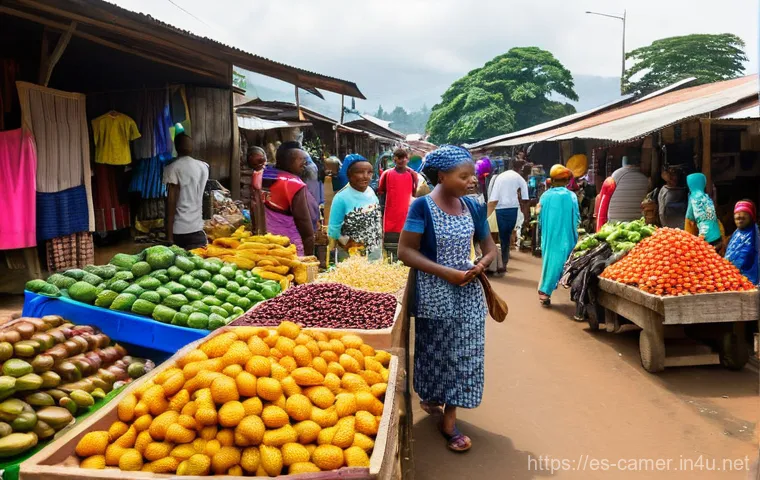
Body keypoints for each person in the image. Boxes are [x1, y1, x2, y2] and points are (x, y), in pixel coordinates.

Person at [398, 145, 497, 453]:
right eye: (463, 175)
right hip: (434, 293)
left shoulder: (474, 207)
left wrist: (480, 265)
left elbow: (490, 248)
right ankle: (432, 397)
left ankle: (450, 420)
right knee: (435, 351)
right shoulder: (422, 207)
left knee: (465, 353)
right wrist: (445, 273)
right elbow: (405, 251)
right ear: (442, 176)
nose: (471, 181)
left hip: (468, 292)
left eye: (472, 175)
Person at [262, 141, 314, 256]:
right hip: (289, 245)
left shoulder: (264, 174)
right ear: (289, 162)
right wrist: (310, 255)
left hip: (264, 242)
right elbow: (303, 222)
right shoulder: (293, 184)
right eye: (301, 161)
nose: (305, 164)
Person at [538, 165, 580, 306]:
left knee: (550, 261)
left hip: (549, 236)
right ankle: (547, 290)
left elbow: (539, 215)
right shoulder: (571, 196)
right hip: (567, 235)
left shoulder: (545, 195)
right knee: (568, 261)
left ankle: (545, 290)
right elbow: (577, 217)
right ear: (566, 180)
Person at [328, 154, 383, 261]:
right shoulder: (341, 198)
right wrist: (347, 242)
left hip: (374, 252)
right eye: (360, 172)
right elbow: (333, 230)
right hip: (352, 259)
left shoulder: (370, 192)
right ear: (349, 175)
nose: (366, 176)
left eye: (369, 172)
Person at [164, 133, 209, 250]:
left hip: (179, 231)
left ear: (176, 147)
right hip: (198, 229)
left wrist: (169, 236)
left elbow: (171, 202)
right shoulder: (203, 167)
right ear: (192, 147)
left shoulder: (173, 168)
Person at [487, 159, 529, 274]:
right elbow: (525, 199)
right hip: (512, 209)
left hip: (499, 208)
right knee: (508, 235)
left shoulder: (500, 177)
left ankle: (501, 262)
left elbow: (493, 197)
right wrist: (526, 216)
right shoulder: (520, 179)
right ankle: (503, 261)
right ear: (520, 168)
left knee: (502, 235)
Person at [595, 155, 649, 230]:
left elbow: (602, 207)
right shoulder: (645, 179)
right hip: (639, 226)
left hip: (615, 226)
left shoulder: (615, 176)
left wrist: (599, 229)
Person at [378, 148, 418, 245]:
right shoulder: (386, 174)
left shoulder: (412, 174)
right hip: (390, 213)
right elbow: (381, 191)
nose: (401, 161)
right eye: (398, 159)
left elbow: (414, 192)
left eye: (403, 158)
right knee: (390, 242)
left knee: (406, 240)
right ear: (394, 160)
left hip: (406, 213)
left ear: (407, 159)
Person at [685, 172, 724, 253]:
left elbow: (689, 220)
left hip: (705, 238)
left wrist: (687, 243)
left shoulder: (693, 198)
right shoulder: (707, 198)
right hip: (718, 237)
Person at [725, 200, 760, 285]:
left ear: (751, 217)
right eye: (737, 218)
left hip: (749, 280)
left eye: (743, 218)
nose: (740, 221)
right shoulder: (736, 233)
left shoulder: (754, 235)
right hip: (731, 277)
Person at [248, 146, 267, 235]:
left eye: (261, 161)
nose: (260, 164)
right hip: (257, 199)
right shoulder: (255, 173)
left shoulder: (266, 172)